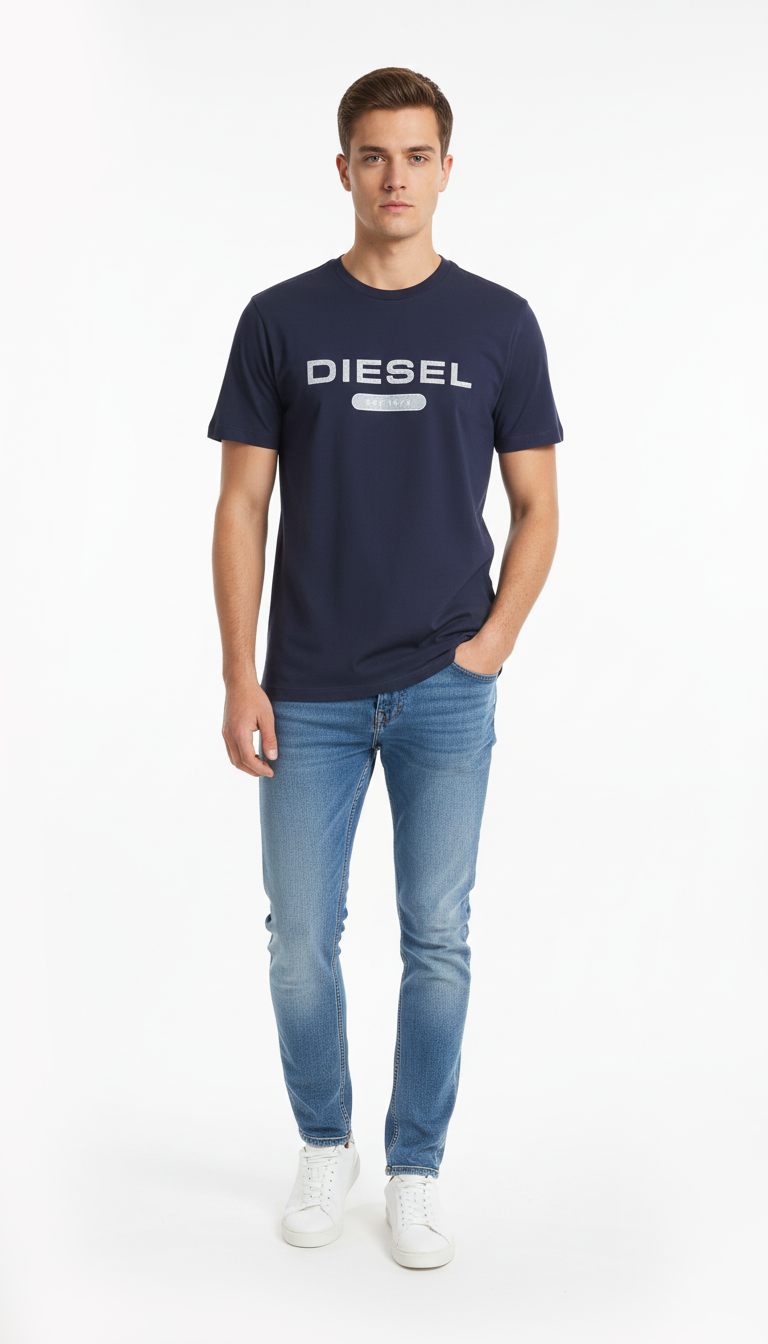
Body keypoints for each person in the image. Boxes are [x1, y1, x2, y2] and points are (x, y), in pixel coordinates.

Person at [207, 66, 563, 1269]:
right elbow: (242, 505)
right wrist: (239, 674)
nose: (395, 177)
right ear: (344, 169)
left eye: (416, 156)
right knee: (299, 940)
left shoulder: (500, 322)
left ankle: (415, 1166)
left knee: (437, 937)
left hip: (445, 689)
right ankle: (327, 1143)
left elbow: (538, 505)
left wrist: (492, 644)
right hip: (304, 689)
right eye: (374, 155)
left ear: (447, 171)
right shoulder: (281, 319)